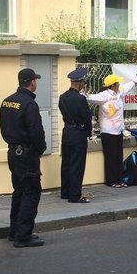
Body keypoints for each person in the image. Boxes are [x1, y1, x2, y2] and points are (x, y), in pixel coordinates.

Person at [0, 67, 47, 248]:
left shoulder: (7, 102)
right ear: (31, 82)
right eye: (35, 80)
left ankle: (14, 231)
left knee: (19, 191)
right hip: (27, 154)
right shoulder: (29, 104)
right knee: (31, 192)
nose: (36, 83)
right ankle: (23, 236)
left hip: (13, 152)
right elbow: (36, 131)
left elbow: (3, 127)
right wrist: (41, 149)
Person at [86, 73, 136, 188]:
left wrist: (134, 81)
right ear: (112, 86)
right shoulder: (103, 96)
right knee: (110, 157)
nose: (119, 85)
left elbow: (127, 87)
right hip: (108, 131)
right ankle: (111, 180)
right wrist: (82, 95)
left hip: (118, 130)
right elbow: (90, 97)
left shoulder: (119, 93)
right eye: (116, 83)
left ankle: (119, 179)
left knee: (118, 156)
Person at [58, 67, 93, 203]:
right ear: (79, 83)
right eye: (83, 83)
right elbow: (87, 118)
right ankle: (74, 195)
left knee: (66, 164)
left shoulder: (62, 97)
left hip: (67, 132)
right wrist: (89, 132)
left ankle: (65, 191)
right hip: (78, 133)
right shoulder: (80, 99)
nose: (84, 85)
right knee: (77, 165)